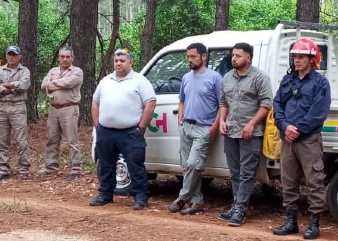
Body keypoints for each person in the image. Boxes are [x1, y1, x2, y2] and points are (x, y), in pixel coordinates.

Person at [272, 38, 332, 239]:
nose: (297, 60)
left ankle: (314, 224)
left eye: (301, 57)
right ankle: (291, 221)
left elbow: (318, 112)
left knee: (314, 180)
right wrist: (284, 126)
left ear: (311, 59)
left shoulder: (320, 83)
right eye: (295, 57)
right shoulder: (288, 80)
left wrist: (297, 129)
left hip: (308, 140)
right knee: (288, 181)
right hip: (288, 140)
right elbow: (277, 104)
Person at [91, 48, 156, 210]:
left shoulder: (139, 80)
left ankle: (140, 196)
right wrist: (97, 125)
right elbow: (95, 102)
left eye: (122, 60)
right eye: (116, 60)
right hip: (105, 131)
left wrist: (141, 127)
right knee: (106, 165)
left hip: (130, 132)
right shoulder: (106, 81)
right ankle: (105, 194)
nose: (118, 63)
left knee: (135, 165)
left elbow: (150, 103)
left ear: (130, 62)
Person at [217, 42, 273, 227]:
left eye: (238, 56)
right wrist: (222, 121)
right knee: (235, 172)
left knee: (247, 173)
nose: (234, 58)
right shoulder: (227, 77)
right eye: (233, 55)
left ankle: (241, 209)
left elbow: (266, 104)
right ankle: (236, 205)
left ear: (248, 58)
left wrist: (251, 124)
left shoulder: (259, 78)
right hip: (231, 131)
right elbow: (223, 102)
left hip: (251, 133)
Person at [169, 43, 223, 215]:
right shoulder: (186, 77)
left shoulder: (215, 78)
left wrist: (214, 126)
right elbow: (182, 99)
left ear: (204, 56)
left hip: (204, 128)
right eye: (188, 57)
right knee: (187, 166)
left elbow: (222, 104)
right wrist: (180, 117)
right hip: (186, 126)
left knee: (194, 163)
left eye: (193, 56)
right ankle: (197, 201)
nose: (190, 60)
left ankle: (183, 196)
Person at [40, 46, 84, 178]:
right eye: (62, 57)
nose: (65, 59)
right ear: (59, 58)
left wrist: (52, 84)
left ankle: (75, 169)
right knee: (52, 139)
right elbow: (43, 85)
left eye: (67, 57)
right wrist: (57, 84)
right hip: (53, 109)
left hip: (69, 108)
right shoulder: (52, 70)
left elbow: (69, 83)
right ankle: (51, 167)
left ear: (72, 58)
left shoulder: (77, 71)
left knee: (72, 140)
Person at [0, 44, 31, 180]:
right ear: (6, 55)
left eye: (14, 54)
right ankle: (2, 168)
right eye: (9, 54)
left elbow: (24, 85)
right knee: (2, 140)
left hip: (18, 107)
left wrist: (7, 85)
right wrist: (14, 86)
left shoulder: (24, 70)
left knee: (21, 140)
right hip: (2, 107)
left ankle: (24, 169)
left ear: (20, 56)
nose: (12, 57)